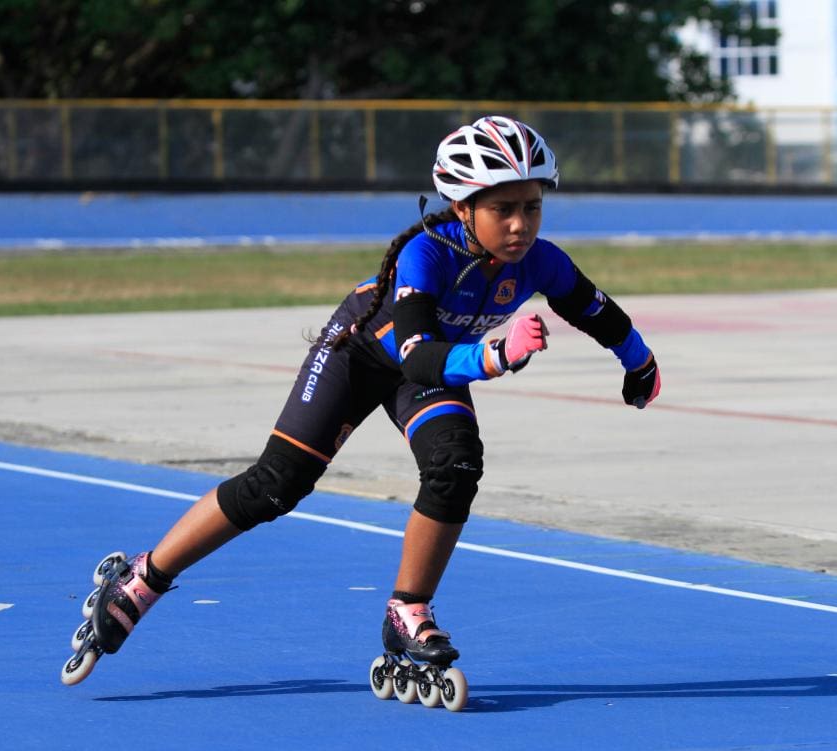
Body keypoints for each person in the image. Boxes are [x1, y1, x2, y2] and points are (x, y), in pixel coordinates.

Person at [62, 116, 661, 709]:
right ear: (461, 207)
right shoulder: (426, 255)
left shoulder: (542, 261)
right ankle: (144, 576)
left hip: (433, 367)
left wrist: (640, 364)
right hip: (363, 355)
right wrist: (496, 354)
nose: (520, 224)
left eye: (532, 207)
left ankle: (408, 610)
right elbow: (421, 357)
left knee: (456, 465)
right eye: (503, 208)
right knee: (277, 486)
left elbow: (597, 312)